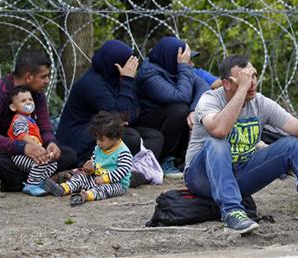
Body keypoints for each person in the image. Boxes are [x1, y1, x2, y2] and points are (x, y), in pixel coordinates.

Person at [184, 55, 298, 234]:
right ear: (226, 84)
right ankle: (232, 213)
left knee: (292, 144)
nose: (251, 83)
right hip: (201, 177)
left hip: (239, 174)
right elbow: (219, 130)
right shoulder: (210, 99)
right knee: (217, 142)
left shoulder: (260, 103)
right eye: (244, 79)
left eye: (253, 76)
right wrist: (241, 91)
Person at [0, 50, 77, 192]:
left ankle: (12, 182)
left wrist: (51, 143)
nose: (47, 81)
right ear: (28, 77)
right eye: (43, 77)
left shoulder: (37, 95)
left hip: (26, 153)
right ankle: (43, 180)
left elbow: (45, 129)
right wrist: (23, 148)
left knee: (68, 155)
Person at [56, 40, 164, 167]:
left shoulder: (115, 78)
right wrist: (127, 80)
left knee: (155, 137)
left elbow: (133, 111)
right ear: (116, 66)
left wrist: (124, 115)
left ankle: (137, 168)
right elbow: (122, 115)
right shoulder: (92, 84)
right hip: (84, 139)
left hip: (108, 129)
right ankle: (111, 168)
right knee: (131, 138)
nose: (130, 69)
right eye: (127, 64)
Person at [136, 36, 210, 177]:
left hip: (167, 120)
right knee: (180, 110)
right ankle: (164, 159)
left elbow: (203, 86)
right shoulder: (149, 74)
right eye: (188, 60)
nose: (192, 64)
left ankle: (181, 157)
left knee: (189, 111)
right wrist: (184, 67)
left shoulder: (174, 69)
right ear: (172, 59)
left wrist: (194, 110)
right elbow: (180, 96)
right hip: (147, 121)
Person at [44, 111, 132, 206]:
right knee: (80, 177)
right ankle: (63, 189)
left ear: (115, 138)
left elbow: (122, 171)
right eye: (96, 139)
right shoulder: (99, 148)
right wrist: (89, 169)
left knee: (105, 190)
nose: (98, 142)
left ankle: (87, 195)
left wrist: (105, 179)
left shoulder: (123, 152)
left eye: (101, 140)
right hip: (96, 178)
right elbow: (94, 162)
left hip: (117, 183)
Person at [5, 85, 59, 196]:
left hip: (32, 153)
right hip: (19, 155)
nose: (28, 102)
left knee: (53, 163)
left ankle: (40, 181)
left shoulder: (31, 120)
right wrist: (37, 146)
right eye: (23, 101)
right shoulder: (19, 119)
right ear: (13, 107)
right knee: (41, 162)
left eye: (30, 99)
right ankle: (31, 185)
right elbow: (21, 135)